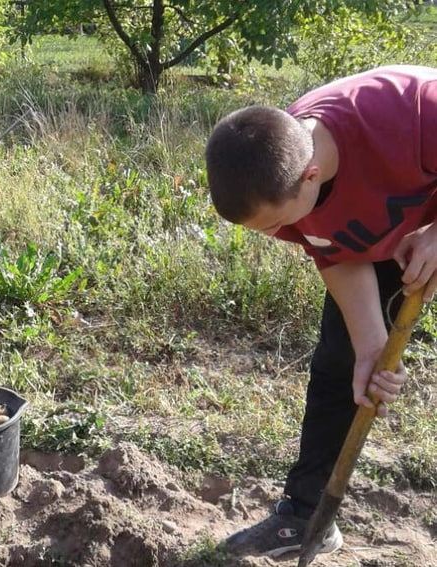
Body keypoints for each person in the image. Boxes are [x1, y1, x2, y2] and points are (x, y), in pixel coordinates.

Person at [204, 65, 437, 558]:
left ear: (310, 177)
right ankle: (306, 516)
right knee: (341, 363)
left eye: (277, 224)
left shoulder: (412, 110)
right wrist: (371, 347)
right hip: (387, 237)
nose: (277, 236)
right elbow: (332, 248)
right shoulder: (277, 171)